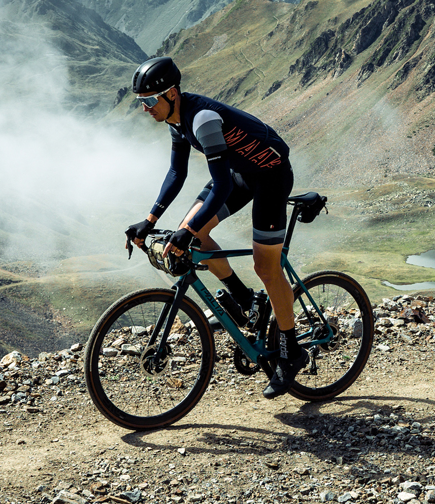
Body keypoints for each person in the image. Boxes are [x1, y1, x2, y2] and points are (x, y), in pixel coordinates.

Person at [124, 55, 307, 399]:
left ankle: (291, 351)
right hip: (240, 175)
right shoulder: (175, 120)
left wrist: (188, 230)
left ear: (172, 93)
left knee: (266, 267)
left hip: (270, 177)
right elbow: (177, 173)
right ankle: (245, 300)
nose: (145, 108)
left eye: (149, 101)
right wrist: (148, 222)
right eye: (140, 103)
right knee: (190, 234)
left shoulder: (203, 119)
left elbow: (220, 186)